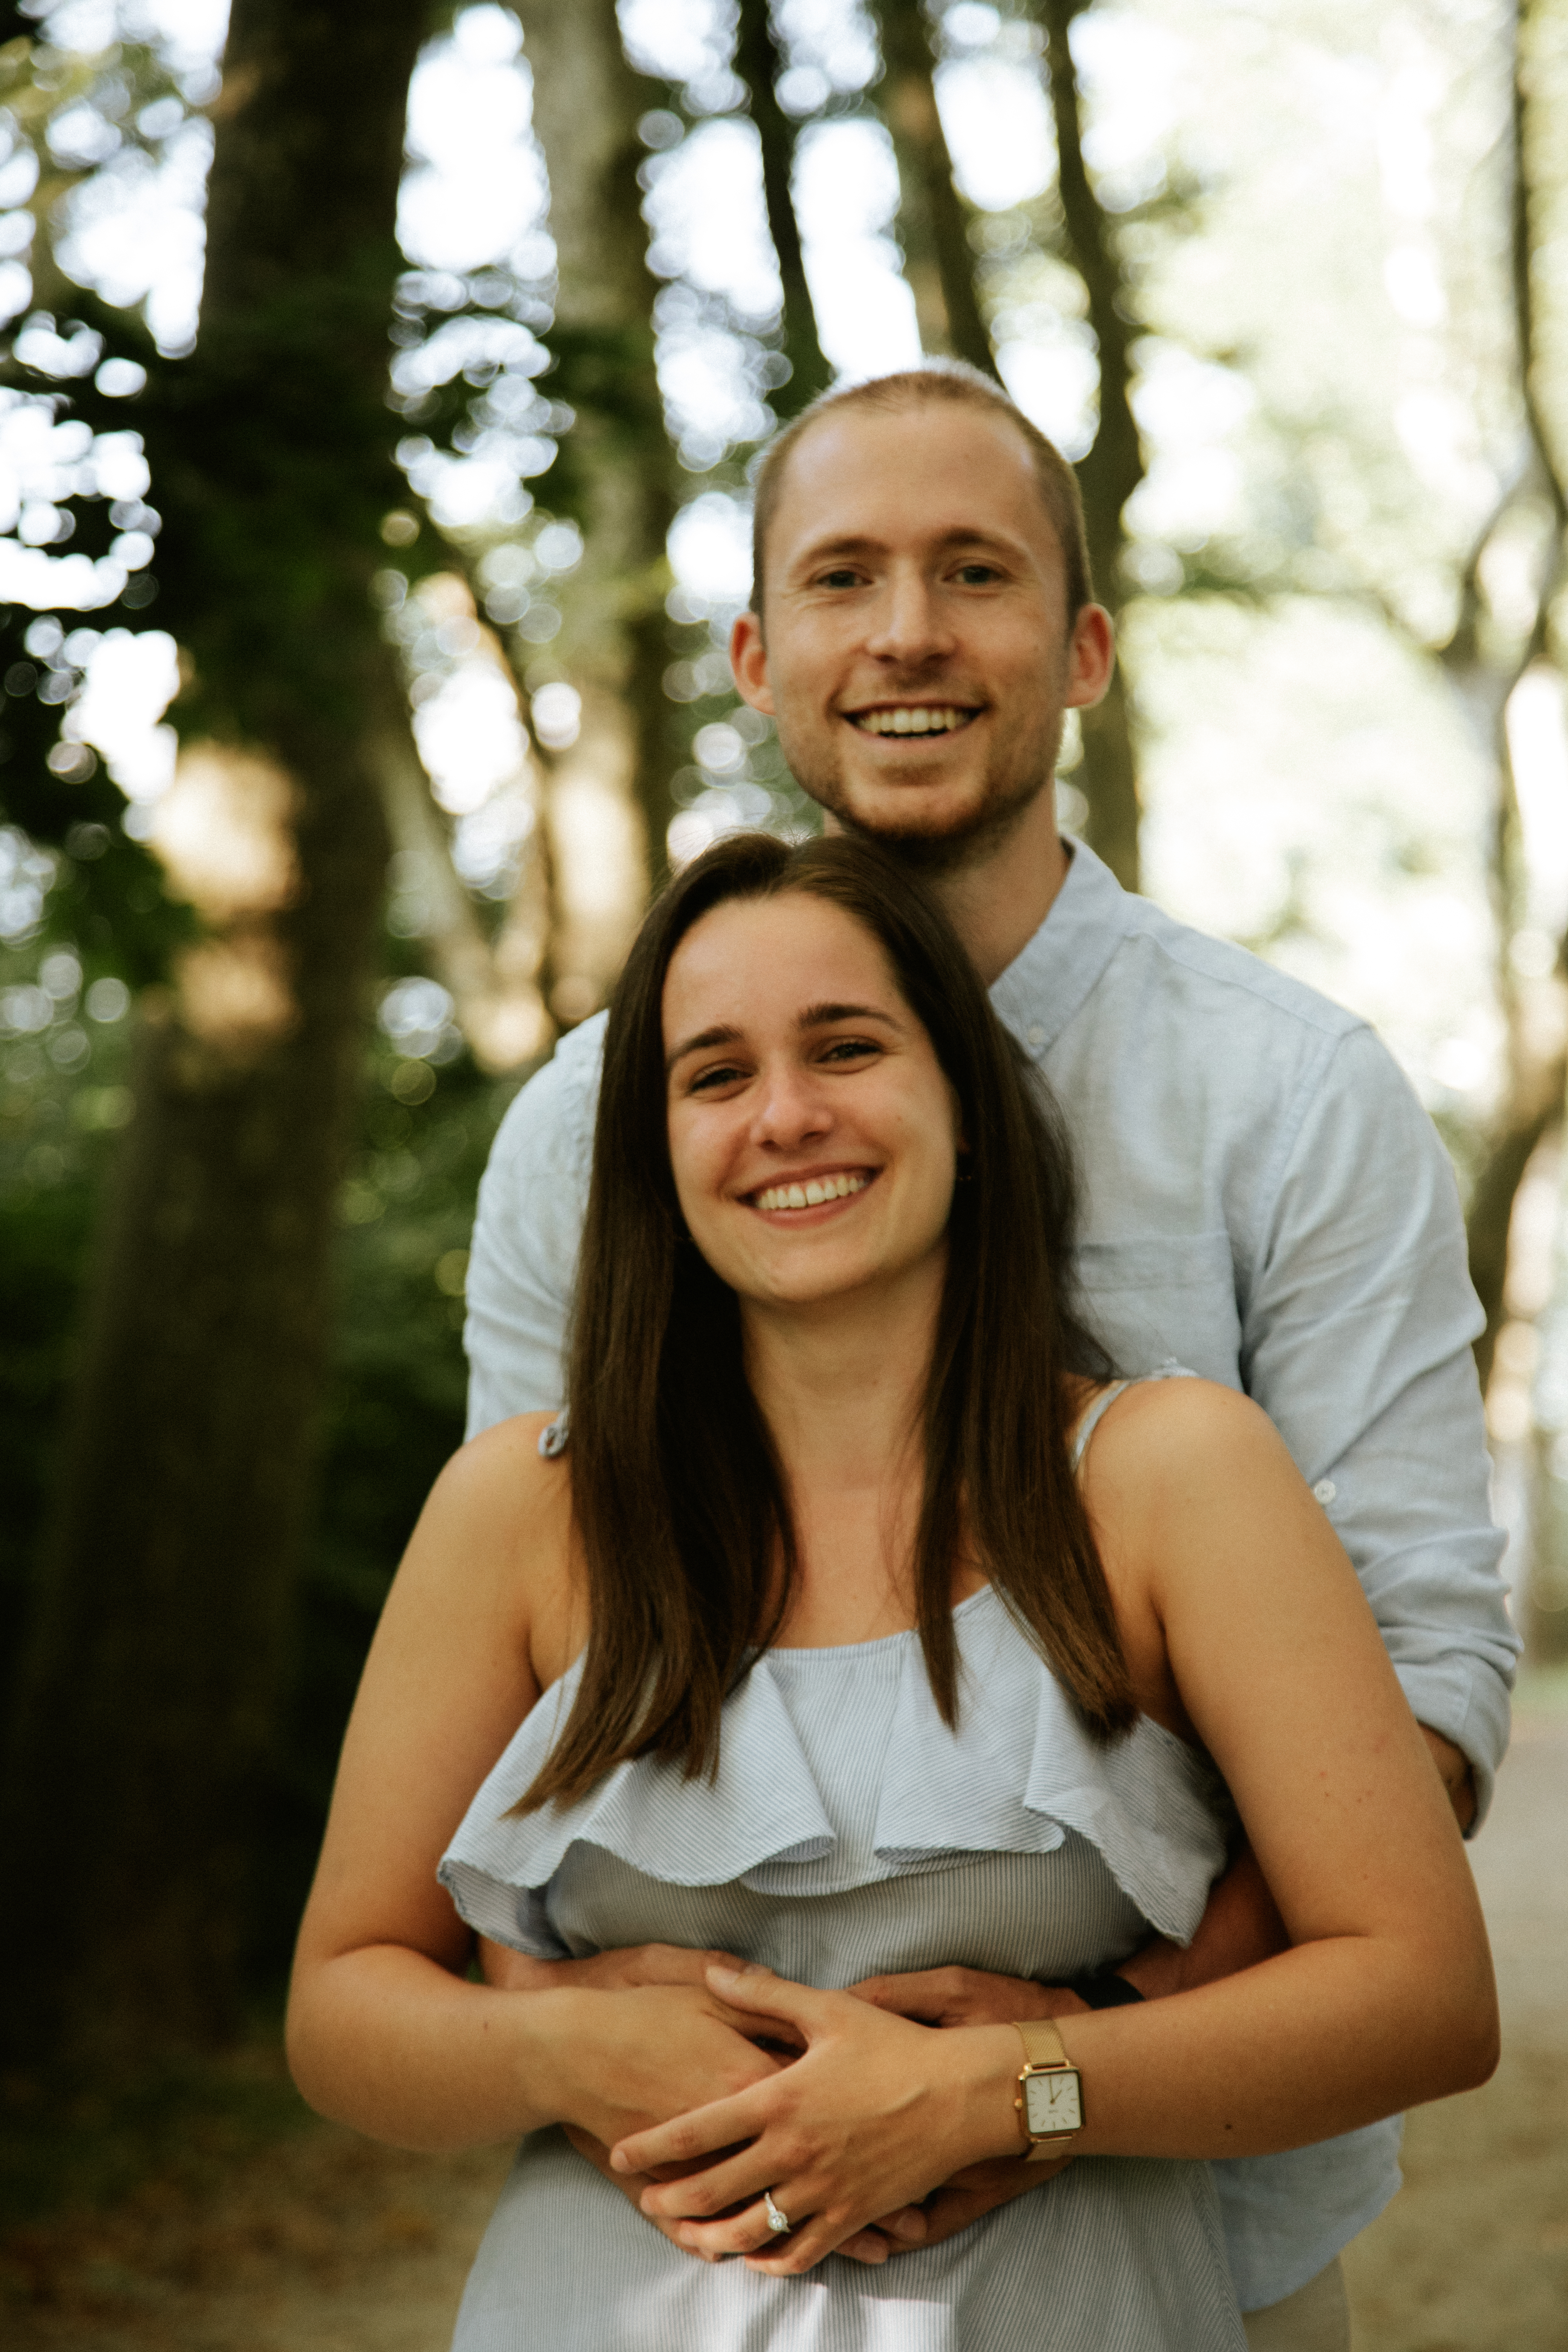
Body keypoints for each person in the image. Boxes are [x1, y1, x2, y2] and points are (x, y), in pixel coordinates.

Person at [460, 364, 1519, 2347]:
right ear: (763, 657)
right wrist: (607, 2055)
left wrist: (1070, 2059)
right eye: (847, 580)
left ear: (1085, 646)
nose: (912, 634)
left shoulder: (1288, 1098)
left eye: (979, 572)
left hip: (1203, 2214)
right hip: (677, 2239)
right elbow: (521, 1695)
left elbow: (1423, 1672)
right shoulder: (577, 1142)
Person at [286, 830, 1497, 2351]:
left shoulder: (1174, 1476)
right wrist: (556, 2052)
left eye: (845, 1049)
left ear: (964, 1108)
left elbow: (1425, 1997)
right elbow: (341, 2006)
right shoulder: (526, 1510)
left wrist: (1009, 2091)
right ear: (654, 1154)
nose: (786, 1118)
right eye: (714, 1077)